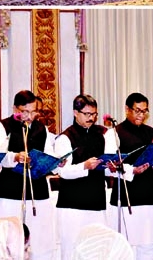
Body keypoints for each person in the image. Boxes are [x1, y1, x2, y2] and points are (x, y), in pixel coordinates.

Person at [0, 90, 57, 260]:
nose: (29, 116)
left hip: (38, 190)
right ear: (15, 109)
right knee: (9, 235)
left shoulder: (42, 129)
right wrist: (15, 157)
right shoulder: (3, 126)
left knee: (40, 238)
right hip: (11, 190)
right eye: (25, 111)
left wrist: (55, 161)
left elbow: (49, 152)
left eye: (34, 111)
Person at [104, 92, 153, 260]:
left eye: (144, 111)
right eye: (137, 110)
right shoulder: (113, 134)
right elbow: (108, 168)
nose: (141, 115)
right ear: (127, 109)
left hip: (150, 196)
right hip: (126, 197)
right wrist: (132, 170)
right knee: (124, 248)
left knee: (150, 246)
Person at [54, 94, 107, 260]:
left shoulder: (101, 136)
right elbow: (62, 171)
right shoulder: (65, 138)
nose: (91, 118)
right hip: (72, 204)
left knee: (97, 250)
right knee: (72, 251)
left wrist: (112, 166)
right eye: (87, 114)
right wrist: (84, 166)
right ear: (75, 113)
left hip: (96, 200)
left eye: (94, 114)